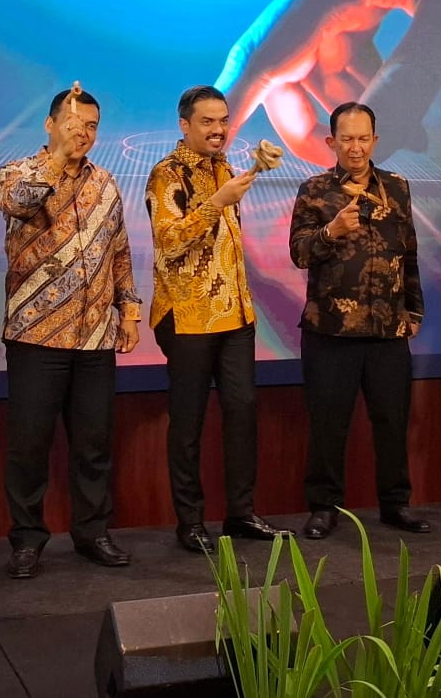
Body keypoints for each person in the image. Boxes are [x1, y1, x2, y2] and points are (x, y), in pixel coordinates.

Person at [0, 87, 142, 579]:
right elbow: (18, 204)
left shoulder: (106, 182)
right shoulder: (16, 173)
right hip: (36, 335)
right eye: (76, 123)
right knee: (29, 445)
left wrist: (129, 310)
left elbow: (119, 249)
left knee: (94, 443)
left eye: (92, 126)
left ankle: (92, 533)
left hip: (95, 335)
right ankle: (26, 539)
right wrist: (58, 159)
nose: (85, 133)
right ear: (50, 124)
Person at [145, 85, 291, 553]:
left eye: (223, 120)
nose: (218, 129)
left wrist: (248, 174)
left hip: (235, 315)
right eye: (207, 121)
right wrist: (216, 202)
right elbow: (169, 241)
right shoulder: (166, 174)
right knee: (187, 422)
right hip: (187, 317)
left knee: (242, 413)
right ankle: (189, 522)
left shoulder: (223, 167)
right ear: (184, 125)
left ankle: (241, 513)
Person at [287, 101, 429, 538]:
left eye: (363, 138)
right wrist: (331, 231)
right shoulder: (314, 190)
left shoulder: (397, 187)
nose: (356, 147)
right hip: (330, 329)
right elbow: (299, 254)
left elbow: (409, 252)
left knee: (392, 420)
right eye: (347, 139)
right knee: (328, 424)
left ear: (375, 140)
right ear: (331, 142)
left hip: (388, 329)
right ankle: (323, 508)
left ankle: (395, 504)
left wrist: (414, 309)